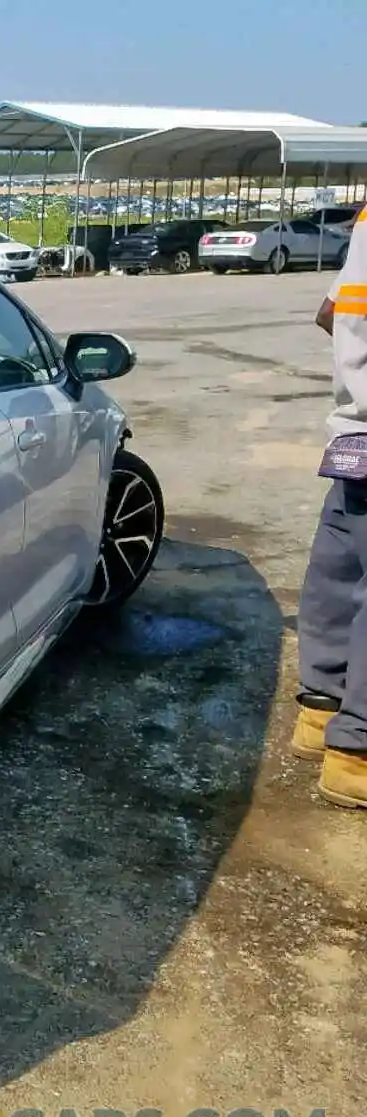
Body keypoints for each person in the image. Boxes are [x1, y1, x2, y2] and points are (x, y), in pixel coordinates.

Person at [294, 205, 367, 807]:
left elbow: (328, 313)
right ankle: (357, 752)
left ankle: (319, 714)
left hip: (354, 433)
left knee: (340, 571)